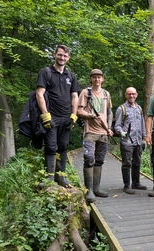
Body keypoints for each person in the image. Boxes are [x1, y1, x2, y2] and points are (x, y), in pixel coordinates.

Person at [36, 44, 80, 188]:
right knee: (50, 146)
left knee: (63, 146)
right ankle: (49, 177)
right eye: (60, 55)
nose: (62, 58)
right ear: (54, 54)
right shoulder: (46, 72)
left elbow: (75, 96)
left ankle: (61, 177)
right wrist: (45, 115)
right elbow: (39, 93)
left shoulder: (71, 76)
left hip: (66, 117)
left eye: (65, 56)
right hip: (51, 116)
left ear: (68, 58)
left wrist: (74, 115)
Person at [77, 69, 113, 203]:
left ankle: (97, 188)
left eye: (99, 77)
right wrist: (90, 116)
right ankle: (89, 190)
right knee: (89, 157)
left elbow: (109, 112)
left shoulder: (106, 94)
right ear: (90, 79)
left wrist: (109, 127)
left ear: (102, 79)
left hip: (103, 133)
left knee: (100, 159)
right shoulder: (86, 93)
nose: (97, 80)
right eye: (94, 77)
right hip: (89, 132)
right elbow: (79, 110)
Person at [114, 87, 147, 194]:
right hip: (127, 141)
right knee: (127, 163)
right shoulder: (121, 109)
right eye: (129, 94)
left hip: (138, 140)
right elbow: (117, 126)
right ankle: (127, 185)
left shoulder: (139, 108)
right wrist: (121, 132)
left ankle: (136, 183)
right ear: (125, 95)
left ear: (136, 95)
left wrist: (144, 137)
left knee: (137, 162)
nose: (131, 96)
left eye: (133, 94)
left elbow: (142, 123)